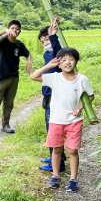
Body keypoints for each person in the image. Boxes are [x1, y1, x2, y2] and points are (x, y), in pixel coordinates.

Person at [30, 48, 95, 192]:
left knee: (72, 150)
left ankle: (73, 179)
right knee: (57, 148)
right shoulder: (55, 77)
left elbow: (90, 96)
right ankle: (55, 176)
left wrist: (80, 107)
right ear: (59, 64)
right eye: (64, 60)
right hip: (56, 120)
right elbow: (33, 76)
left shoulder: (82, 79)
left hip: (74, 120)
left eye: (71, 59)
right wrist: (48, 66)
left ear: (76, 62)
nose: (67, 62)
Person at [0, 20, 33, 136]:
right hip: (1, 77)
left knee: (9, 103)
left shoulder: (19, 44)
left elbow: (28, 54)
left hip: (14, 77)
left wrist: (29, 63)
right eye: (12, 28)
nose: (15, 31)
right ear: (9, 29)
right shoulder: (1, 42)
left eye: (17, 29)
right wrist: (4, 31)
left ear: (20, 31)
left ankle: (5, 125)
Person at [37, 15, 66, 174]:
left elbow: (57, 46)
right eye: (43, 41)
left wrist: (53, 35)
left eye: (47, 39)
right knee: (51, 129)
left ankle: (58, 164)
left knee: (53, 130)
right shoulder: (48, 54)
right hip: (49, 95)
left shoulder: (57, 54)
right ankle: (55, 157)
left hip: (55, 97)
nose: (45, 43)